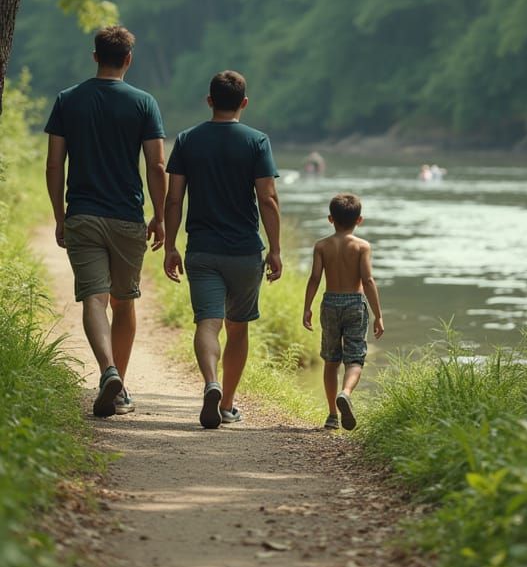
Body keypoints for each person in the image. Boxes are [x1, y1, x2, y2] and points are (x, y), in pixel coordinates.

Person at [45, 26, 167, 418]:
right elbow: (157, 165)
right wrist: (160, 217)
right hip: (127, 216)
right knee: (124, 301)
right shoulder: (144, 103)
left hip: (81, 212)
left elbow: (53, 163)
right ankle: (119, 389)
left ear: (94, 56)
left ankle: (107, 371)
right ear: (128, 59)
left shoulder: (68, 101)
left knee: (93, 298)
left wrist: (59, 216)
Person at [163, 70, 282, 429]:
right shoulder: (257, 141)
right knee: (238, 328)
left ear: (210, 101)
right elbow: (268, 199)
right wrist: (275, 249)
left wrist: (170, 245)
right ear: (244, 103)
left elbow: (173, 199)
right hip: (245, 252)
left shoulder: (187, 140)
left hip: (202, 250)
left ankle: (210, 383)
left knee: (207, 323)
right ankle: (227, 403)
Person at [302, 193, 384, 431]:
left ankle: (331, 415)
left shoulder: (322, 246)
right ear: (359, 220)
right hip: (354, 304)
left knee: (331, 359)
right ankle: (346, 393)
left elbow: (315, 278)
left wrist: (307, 307)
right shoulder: (362, 247)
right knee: (355, 357)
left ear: (330, 219)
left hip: (330, 303)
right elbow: (367, 280)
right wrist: (378, 314)